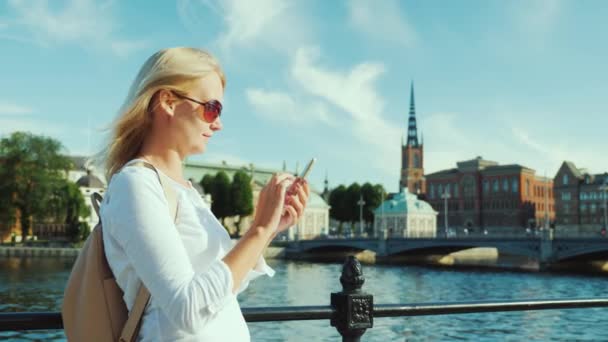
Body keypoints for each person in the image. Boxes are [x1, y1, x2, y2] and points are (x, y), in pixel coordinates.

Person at [97, 47, 310, 341]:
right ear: (168, 102)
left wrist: (270, 228)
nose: (218, 123)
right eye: (212, 108)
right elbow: (189, 310)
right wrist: (258, 230)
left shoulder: (186, 191)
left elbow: (220, 289)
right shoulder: (135, 184)